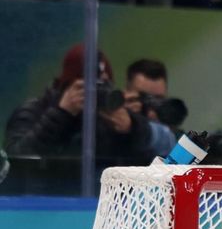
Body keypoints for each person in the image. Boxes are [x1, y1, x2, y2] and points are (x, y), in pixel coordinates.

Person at [4, 43, 157, 169]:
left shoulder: (107, 119)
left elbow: (142, 161)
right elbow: (15, 159)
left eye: (104, 85)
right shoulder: (33, 111)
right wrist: (62, 113)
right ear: (69, 84)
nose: (96, 92)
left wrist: (131, 128)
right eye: (90, 85)